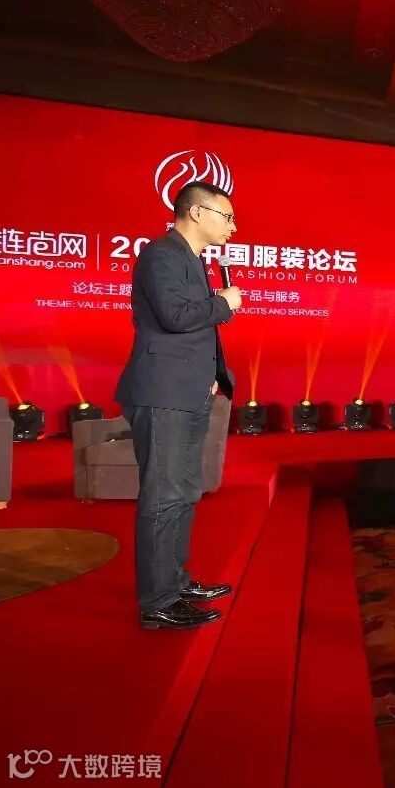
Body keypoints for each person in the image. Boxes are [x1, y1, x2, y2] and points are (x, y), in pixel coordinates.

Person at [114, 181, 239, 630]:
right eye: (227, 217)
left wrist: (211, 375)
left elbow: (190, 330)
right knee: (163, 497)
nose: (233, 227)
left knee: (184, 493)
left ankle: (176, 582)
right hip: (162, 394)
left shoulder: (190, 259)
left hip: (188, 392)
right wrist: (222, 303)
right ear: (197, 212)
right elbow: (176, 317)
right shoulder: (161, 254)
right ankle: (158, 602)